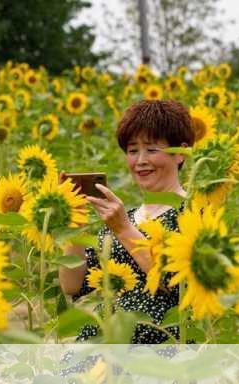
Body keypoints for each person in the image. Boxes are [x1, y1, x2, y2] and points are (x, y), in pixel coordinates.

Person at [59, 99, 195, 343]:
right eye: (133, 151)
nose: (140, 160)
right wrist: (75, 221)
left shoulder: (193, 212)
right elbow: (73, 286)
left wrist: (123, 229)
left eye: (151, 149)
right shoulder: (125, 217)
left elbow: (176, 283)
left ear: (180, 154)